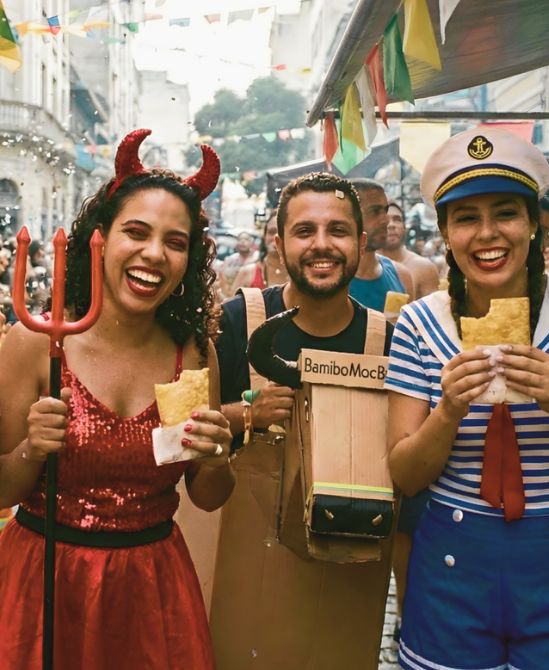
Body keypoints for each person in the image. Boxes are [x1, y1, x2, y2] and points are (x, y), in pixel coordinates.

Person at [0, 128, 234, 668]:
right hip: (44, 583)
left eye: (176, 242)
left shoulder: (194, 354)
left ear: (189, 258)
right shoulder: (39, 341)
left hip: (151, 593)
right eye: (136, 232)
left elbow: (209, 495)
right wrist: (32, 450)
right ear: (99, 238)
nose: (154, 253)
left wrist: (217, 454)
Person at [386, 127, 549, 670]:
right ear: (446, 232)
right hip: (452, 571)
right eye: (465, 218)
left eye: (505, 213)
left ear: (535, 222)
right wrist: (449, 411)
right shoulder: (419, 323)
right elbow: (405, 475)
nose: (487, 235)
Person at [206, 171, 395, 669]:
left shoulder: (390, 342)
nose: (322, 245)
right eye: (305, 231)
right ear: (279, 241)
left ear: (360, 240)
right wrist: (245, 414)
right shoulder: (234, 322)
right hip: (243, 582)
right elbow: (180, 429)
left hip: (346, 583)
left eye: (337, 230)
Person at [348, 178, 415, 311]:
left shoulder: (401, 275)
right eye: (375, 211)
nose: (386, 220)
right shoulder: (330, 277)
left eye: (385, 210)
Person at [381, 200, 439, 299]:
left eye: (397, 219)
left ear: (404, 227)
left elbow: (432, 312)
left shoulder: (424, 268)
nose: (391, 225)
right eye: (385, 220)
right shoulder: (363, 266)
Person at [232, 209, 287, 291]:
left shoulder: (300, 274)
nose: (276, 236)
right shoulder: (246, 272)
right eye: (271, 232)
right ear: (264, 237)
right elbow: (231, 302)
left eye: (282, 232)